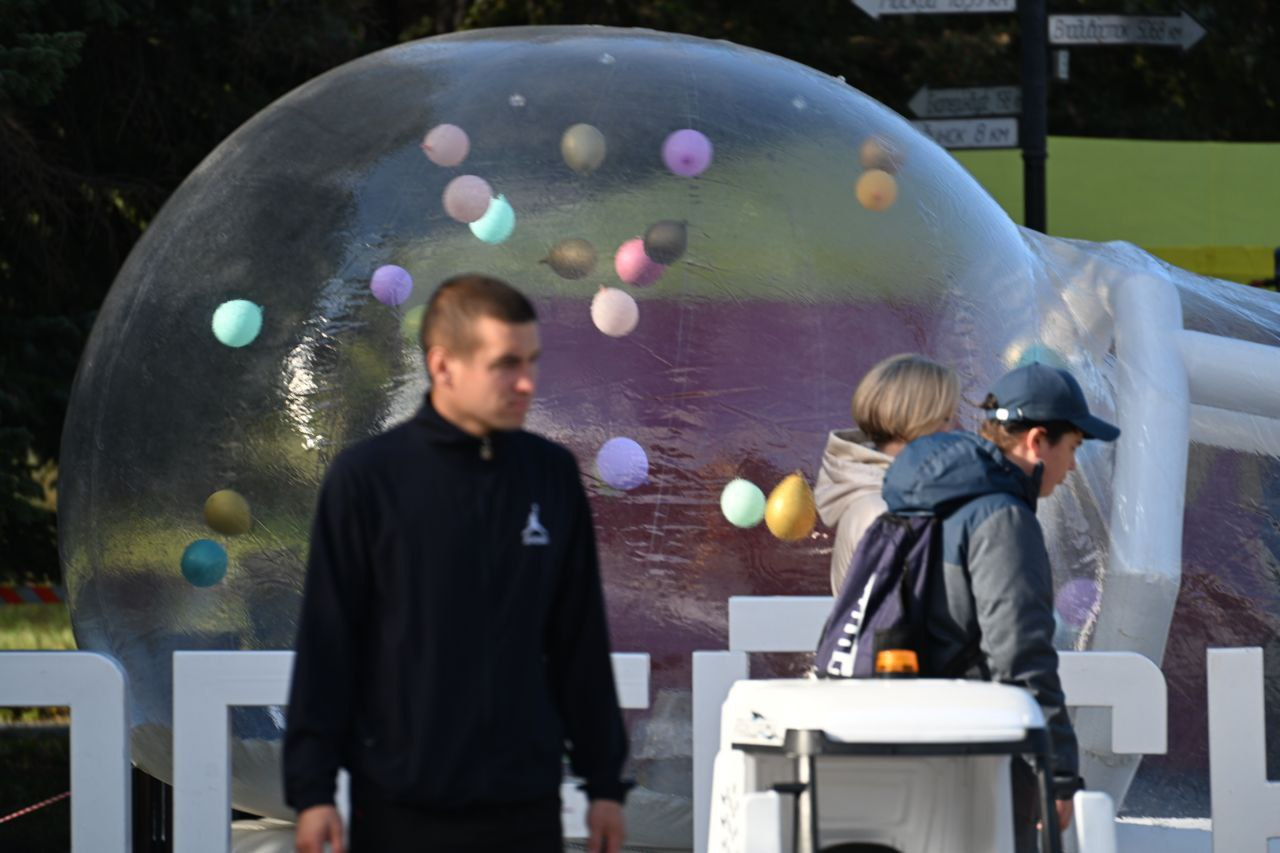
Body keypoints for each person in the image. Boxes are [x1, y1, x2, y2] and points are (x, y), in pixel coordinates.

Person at [284, 274, 629, 853]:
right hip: (401, 805)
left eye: (532, 361)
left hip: (524, 805)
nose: (527, 382)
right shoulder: (367, 479)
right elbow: (328, 641)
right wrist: (312, 790)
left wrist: (605, 784)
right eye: (506, 364)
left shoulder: (550, 475)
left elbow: (580, 640)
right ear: (443, 366)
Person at [880, 362, 1119, 851]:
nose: (1073, 467)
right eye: (1073, 447)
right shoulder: (1003, 518)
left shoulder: (936, 501)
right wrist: (1058, 771)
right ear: (1037, 441)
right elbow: (1019, 654)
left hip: (917, 738)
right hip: (981, 752)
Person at [815, 353, 958, 595]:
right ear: (913, 420)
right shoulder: (882, 512)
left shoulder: (893, 499)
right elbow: (895, 613)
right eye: (944, 419)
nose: (951, 430)